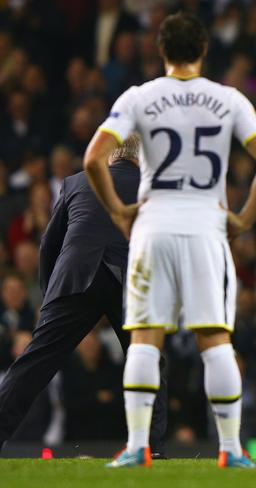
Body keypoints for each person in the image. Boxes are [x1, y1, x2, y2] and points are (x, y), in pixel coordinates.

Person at [83, 12, 256, 469]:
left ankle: (137, 446)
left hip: (153, 224)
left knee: (144, 338)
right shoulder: (227, 98)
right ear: (205, 50)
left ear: (161, 50)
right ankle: (230, 449)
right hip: (205, 226)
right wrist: (243, 218)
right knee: (214, 337)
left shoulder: (140, 96)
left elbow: (94, 157)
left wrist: (118, 210)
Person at [0, 136, 167, 457]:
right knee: (149, 360)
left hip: (75, 277)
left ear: (109, 156)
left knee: (35, 362)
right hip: (129, 282)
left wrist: (50, 296)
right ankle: (150, 447)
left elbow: (49, 243)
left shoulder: (77, 182)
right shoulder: (156, 189)